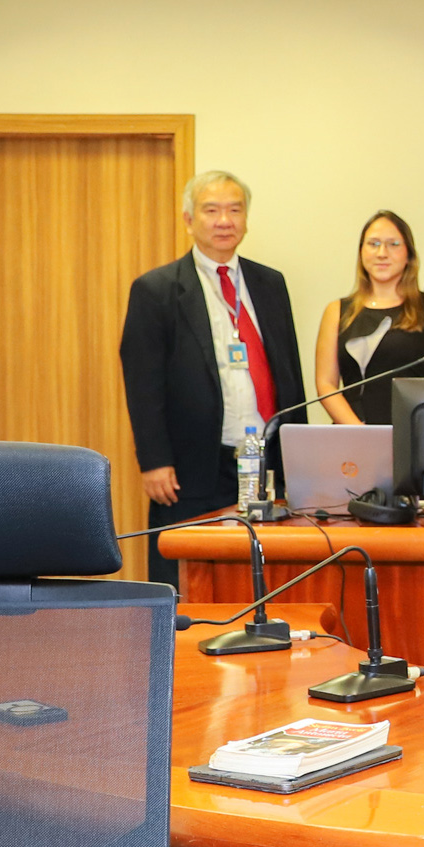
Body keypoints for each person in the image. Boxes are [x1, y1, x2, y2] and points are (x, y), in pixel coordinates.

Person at [119, 170, 306, 587]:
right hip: (193, 465)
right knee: (191, 578)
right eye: (212, 210)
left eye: (235, 210)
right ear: (189, 219)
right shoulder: (157, 290)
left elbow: (289, 373)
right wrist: (154, 460)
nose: (225, 220)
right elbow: (142, 382)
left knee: (266, 575)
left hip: (266, 461)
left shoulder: (270, 283)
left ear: (246, 220)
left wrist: (299, 458)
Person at [313, 211, 424, 426]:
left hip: (412, 436)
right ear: (361, 252)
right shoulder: (336, 311)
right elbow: (326, 384)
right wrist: (359, 431)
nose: (382, 253)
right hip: (352, 439)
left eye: (393, 244)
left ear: (409, 254)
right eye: (373, 244)